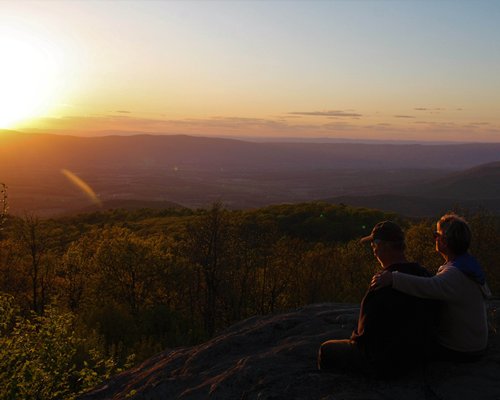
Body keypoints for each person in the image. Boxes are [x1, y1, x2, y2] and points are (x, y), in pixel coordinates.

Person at [318, 221, 437, 376]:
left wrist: (355, 337)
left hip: (386, 363)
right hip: (419, 357)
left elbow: (365, 339)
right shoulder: (424, 276)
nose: (373, 249)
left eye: (374, 243)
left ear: (385, 246)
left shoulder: (381, 284)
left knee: (326, 349)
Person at [371, 213, 491, 362]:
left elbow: (430, 286)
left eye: (436, 234)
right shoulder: (468, 265)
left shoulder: (455, 273)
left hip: (461, 348)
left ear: (444, 241)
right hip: (474, 343)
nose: (434, 238)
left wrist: (393, 278)